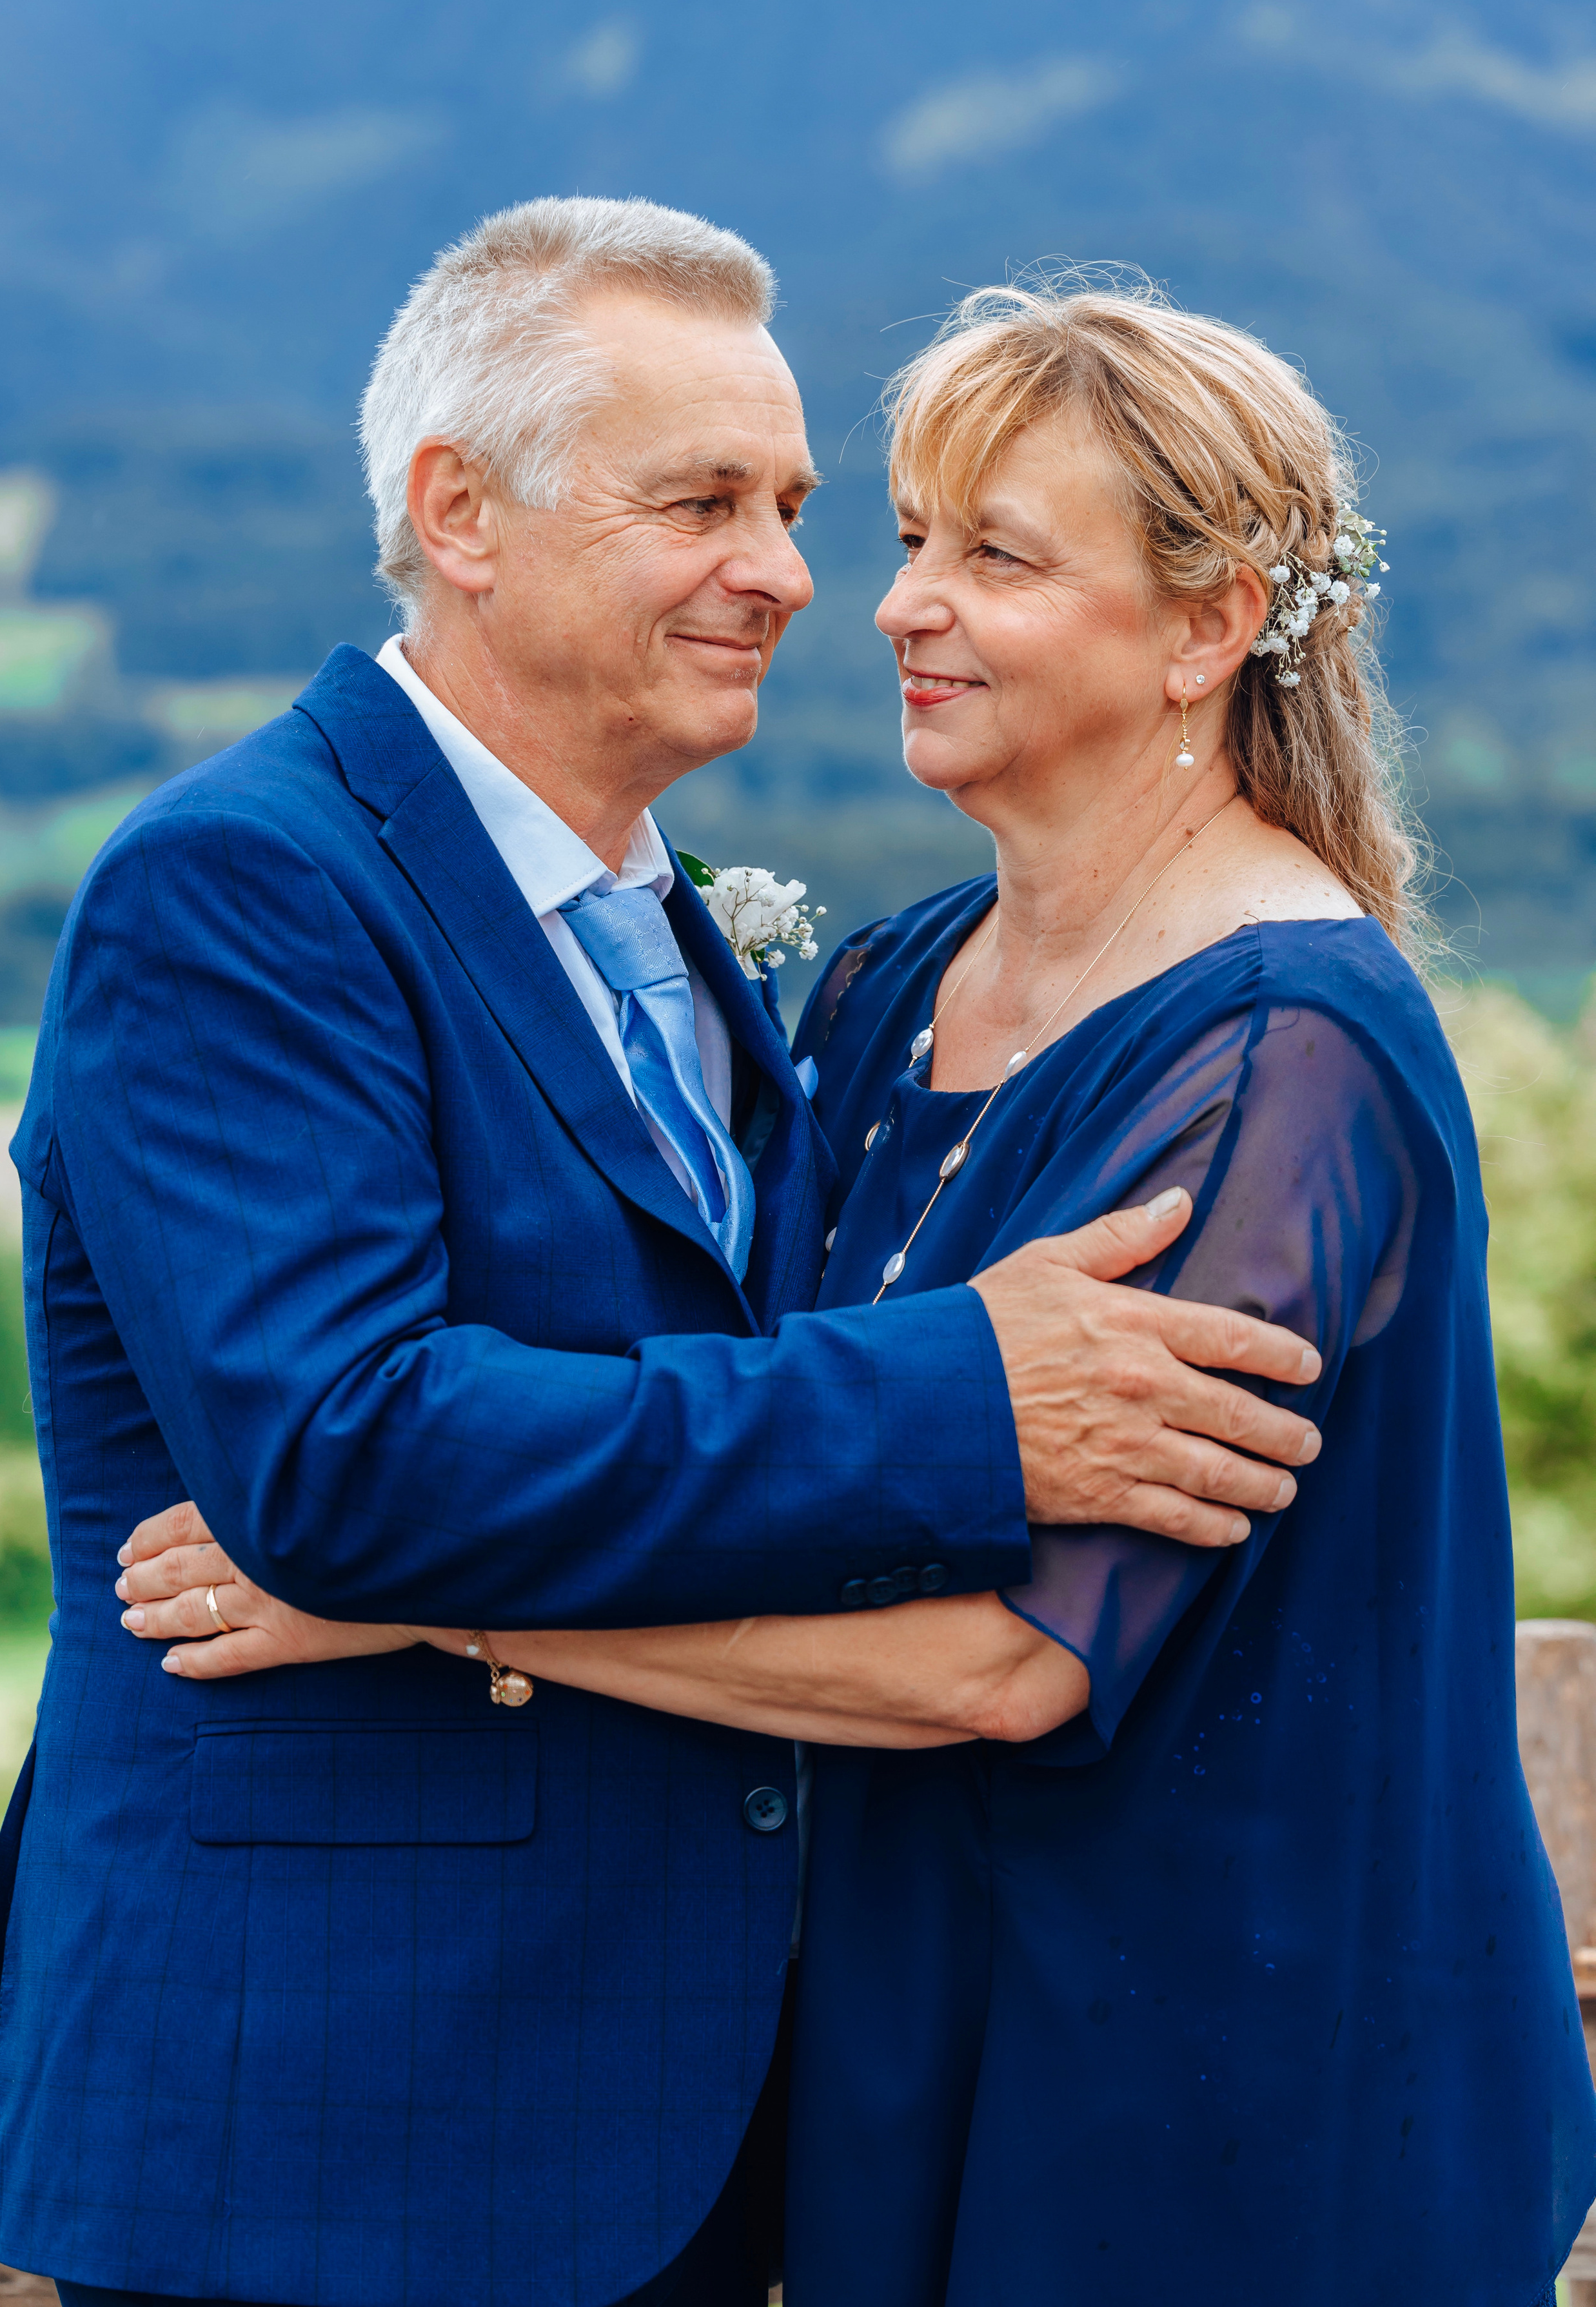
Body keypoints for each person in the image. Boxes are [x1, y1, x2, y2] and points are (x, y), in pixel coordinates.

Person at [117, 272, 1596, 2303]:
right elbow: (781, 1449)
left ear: (1207, 627)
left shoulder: (1284, 1059)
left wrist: (400, 1595)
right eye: (911, 540)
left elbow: (1000, 1662)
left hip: (1210, 2064)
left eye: (994, 554)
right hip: (908, 2020)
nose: (888, 603)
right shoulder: (890, 992)